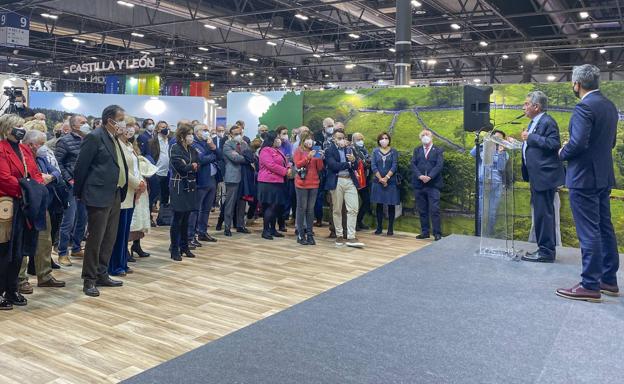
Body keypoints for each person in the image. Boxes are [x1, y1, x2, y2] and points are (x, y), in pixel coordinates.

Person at [556, 64, 620, 302]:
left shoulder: (584, 107)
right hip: (603, 175)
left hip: (583, 178)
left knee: (588, 231)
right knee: (604, 227)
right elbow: (611, 142)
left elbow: (578, 143)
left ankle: (590, 284)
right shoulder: (609, 106)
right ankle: (609, 280)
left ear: (577, 84)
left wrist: (562, 151)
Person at [73, 105, 128, 297]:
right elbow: (81, 167)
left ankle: (102, 273)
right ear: (109, 120)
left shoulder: (115, 138)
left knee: (109, 237)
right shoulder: (95, 136)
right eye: (120, 119)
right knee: (95, 239)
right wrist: (79, 193)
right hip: (97, 195)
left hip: (114, 194)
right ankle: (89, 279)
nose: (123, 122)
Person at [0, 114, 45, 309]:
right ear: (7, 128)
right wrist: (29, 188)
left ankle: (11, 289)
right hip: (8, 205)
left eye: (22, 126)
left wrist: (33, 187)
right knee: (3, 252)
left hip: (25, 205)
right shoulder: (1, 149)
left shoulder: (25, 149)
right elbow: (3, 178)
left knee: (18, 252)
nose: (21, 129)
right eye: (17, 126)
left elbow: (35, 173)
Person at [518, 91, 565, 263]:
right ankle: (543, 249)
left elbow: (554, 144)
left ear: (536, 107)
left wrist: (531, 137)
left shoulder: (547, 121)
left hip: (545, 176)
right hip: (538, 176)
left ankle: (546, 252)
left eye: (526, 104)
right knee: (540, 214)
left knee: (544, 214)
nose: (523, 107)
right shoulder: (534, 122)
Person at [22, 129, 65, 288]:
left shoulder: (41, 157)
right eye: (41, 144)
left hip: (43, 203)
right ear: (32, 144)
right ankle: (20, 280)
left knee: (45, 241)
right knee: (24, 242)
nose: (43, 147)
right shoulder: (22, 155)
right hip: (27, 204)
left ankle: (45, 276)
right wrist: (42, 178)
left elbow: (57, 173)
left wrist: (51, 176)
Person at [109, 118, 145, 276]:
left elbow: (135, 167)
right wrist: (137, 183)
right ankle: (115, 265)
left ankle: (122, 262)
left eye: (132, 126)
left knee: (124, 233)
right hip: (123, 193)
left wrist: (141, 182)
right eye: (128, 126)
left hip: (132, 194)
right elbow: (122, 169)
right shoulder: (117, 145)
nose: (131, 129)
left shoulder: (130, 145)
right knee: (118, 232)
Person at [54, 114, 90, 266]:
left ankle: (76, 247)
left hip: (86, 185)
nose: (86, 124)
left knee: (83, 218)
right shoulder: (65, 141)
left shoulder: (88, 140)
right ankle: (63, 252)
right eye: (83, 122)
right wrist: (69, 179)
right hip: (70, 186)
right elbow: (58, 163)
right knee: (69, 220)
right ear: (74, 125)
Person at [325, 128, 363, 247]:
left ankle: (351, 236)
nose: (341, 140)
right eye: (339, 138)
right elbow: (333, 166)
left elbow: (356, 166)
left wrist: (354, 160)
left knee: (353, 209)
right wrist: (348, 164)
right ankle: (339, 235)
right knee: (337, 209)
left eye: (343, 138)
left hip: (350, 181)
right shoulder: (329, 150)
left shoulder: (350, 149)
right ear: (334, 139)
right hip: (337, 181)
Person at [470, 130, 510, 235]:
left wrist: (501, 153)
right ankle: (478, 234)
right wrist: (485, 142)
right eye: (495, 137)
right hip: (482, 183)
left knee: (491, 212)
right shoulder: (483, 148)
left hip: (496, 185)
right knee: (481, 212)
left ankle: (488, 234)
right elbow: (472, 153)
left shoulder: (504, 153)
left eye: (500, 138)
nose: (497, 140)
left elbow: (501, 168)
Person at [168, 123, 199, 261]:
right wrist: (189, 166)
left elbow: (198, 163)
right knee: (177, 218)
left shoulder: (192, 149)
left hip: (190, 185)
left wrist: (190, 166)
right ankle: (174, 249)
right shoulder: (175, 148)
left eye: (192, 134)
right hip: (178, 185)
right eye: (189, 134)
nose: (191, 137)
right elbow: (179, 166)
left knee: (186, 218)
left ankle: (184, 246)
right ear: (182, 136)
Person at [411, 129, 444, 241]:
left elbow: (439, 166)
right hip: (419, 184)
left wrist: (429, 176)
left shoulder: (438, 150)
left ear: (431, 137)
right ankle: (425, 232)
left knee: (434, 210)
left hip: (433, 185)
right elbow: (413, 165)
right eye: (423, 135)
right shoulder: (417, 150)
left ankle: (437, 233)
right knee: (422, 210)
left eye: (427, 135)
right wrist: (420, 176)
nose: (425, 136)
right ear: (420, 138)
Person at [257, 131, 290, 240]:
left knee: (275, 207)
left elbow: (281, 162)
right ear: (272, 139)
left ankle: (272, 229)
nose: (279, 140)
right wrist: (285, 171)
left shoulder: (277, 150)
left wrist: (288, 166)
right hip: (268, 182)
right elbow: (270, 165)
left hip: (277, 181)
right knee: (270, 206)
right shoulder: (265, 150)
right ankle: (265, 230)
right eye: (277, 138)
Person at [189, 124, 218, 244]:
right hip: (201, 180)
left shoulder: (207, 142)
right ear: (197, 132)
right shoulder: (194, 144)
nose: (207, 132)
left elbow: (219, 155)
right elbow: (200, 159)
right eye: (204, 130)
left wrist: (213, 147)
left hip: (212, 179)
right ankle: (191, 235)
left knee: (206, 209)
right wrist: (213, 155)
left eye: (207, 130)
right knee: (195, 210)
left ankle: (202, 232)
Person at [293, 131, 324, 245]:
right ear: (302, 140)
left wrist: (320, 157)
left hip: (314, 183)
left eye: (311, 138)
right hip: (302, 184)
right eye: (307, 139)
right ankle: (301, 235)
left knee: (310, 210)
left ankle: (310, 234)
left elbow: (320, 168)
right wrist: (308, 158)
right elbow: (298, 164)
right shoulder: (299, 151)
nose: (309, 141)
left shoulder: (315, 151)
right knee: (302, 208)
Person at [222, 125, 250, 236]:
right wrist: (246, 158)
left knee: (242, 202)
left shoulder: (244, 144)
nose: (238, 136)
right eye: (235, 134)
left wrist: (246, 157)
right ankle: (227, 227)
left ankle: (240, 225)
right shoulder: (227, 145)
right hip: (232, 177)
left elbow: (250, 156)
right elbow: (235, 158)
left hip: (244, 176)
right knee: (230, 203)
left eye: (240, 133)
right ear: (230, 135)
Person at [371, 132, 400, 236]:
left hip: (391, 182)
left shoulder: (394, 151)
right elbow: (373, 165)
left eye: (386, 138)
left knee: (391, 204)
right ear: (379, 140)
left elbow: (394, 165)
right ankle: (379, 228)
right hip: (378, 182)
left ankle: (390, 228)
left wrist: (386, 178)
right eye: (382, 138)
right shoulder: (375, 151)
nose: (384, 140)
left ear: (389, 140)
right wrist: (381, 179)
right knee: (379, 204)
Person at [147, 121, 171, 213]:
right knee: (153, 196)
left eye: (165, 127)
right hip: (157, 171)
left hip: (168, 172)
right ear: (157, 129)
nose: (164, 129)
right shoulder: (152, 142)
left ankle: (162, 217)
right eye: (161, 127)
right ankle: (149, 217)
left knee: (165, 196)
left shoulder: (171, 140)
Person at [352, 132, 371, 230]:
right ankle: (354, 223)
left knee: (366, 201)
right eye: (358, 139)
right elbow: (362, 163)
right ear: (353, 141)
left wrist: (367, 162)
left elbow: (369, 160)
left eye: (361, 139)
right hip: (356, 180)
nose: (360, 141)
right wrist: (367, 163)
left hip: (365, 179)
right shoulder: (353, 150)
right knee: (354, 203)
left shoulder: (364, 150)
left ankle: (359, 220)